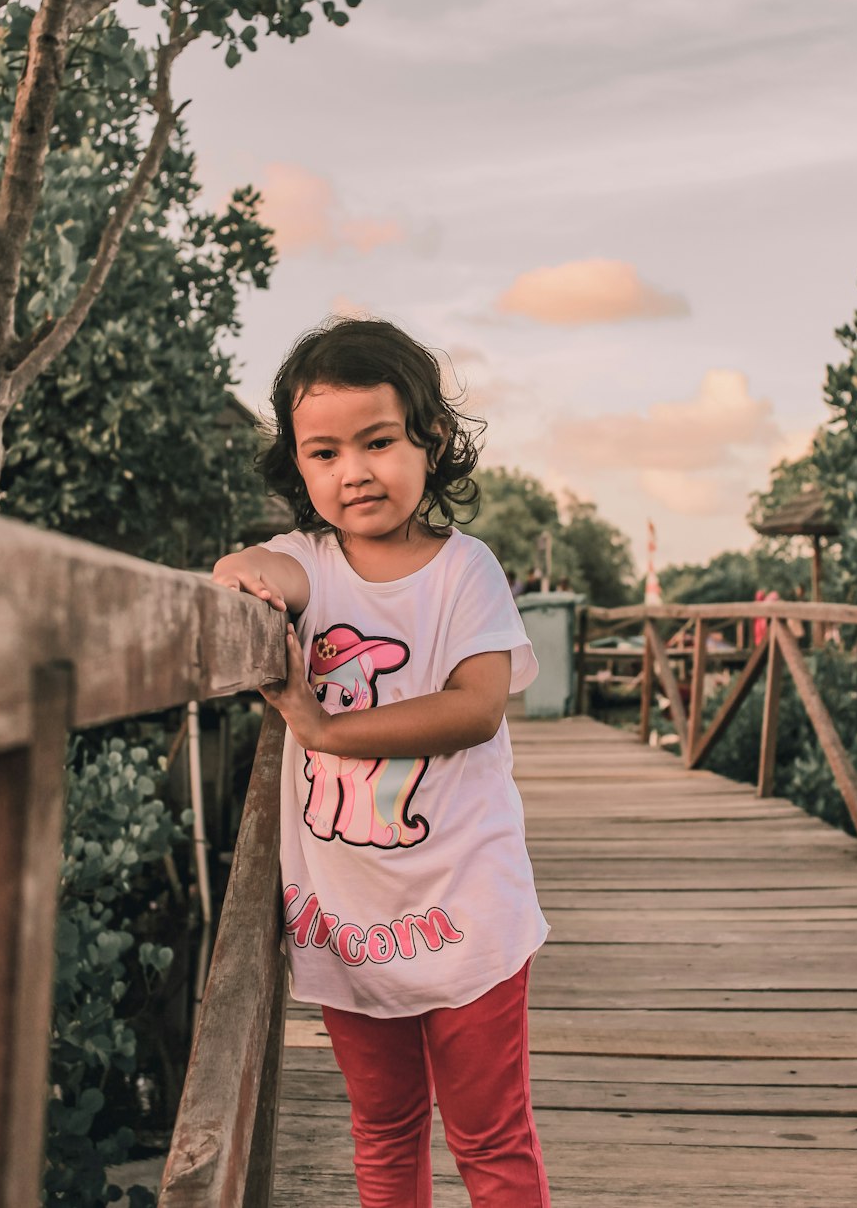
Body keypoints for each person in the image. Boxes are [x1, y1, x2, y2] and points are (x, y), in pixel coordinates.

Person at [213, 318, 551, 1208]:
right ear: (298, 464)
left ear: (430, 443)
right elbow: (255, 572)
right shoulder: (307, 564)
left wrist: (321, 729)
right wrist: (238, 580)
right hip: (349, 916)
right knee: (385, 1130)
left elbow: (476, 708)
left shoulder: (464, 570)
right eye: (322, 453)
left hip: (467, 905)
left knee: (490, 1136)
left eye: (377, 441)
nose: (352, 471)